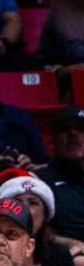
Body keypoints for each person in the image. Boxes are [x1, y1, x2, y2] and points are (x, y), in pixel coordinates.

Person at [0, 168, 78, 266]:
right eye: (17, 201)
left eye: (33, 203)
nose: (25, 208)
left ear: (45, 215)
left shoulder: (60, 254)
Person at [38, 107, 84, 257]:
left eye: (80, 129)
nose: (73, 133)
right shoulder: (39, 180)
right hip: (69, 255)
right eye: (65, 129)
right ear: (52, 142)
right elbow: (35, 230)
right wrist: (72, 243)